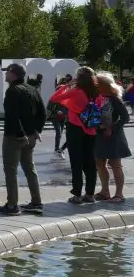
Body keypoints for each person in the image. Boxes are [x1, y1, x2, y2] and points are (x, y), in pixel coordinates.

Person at [1, 63, 45, 215]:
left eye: (7, 71)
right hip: (31, 136)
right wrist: (36, 130)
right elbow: (42, 113)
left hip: (15, 137)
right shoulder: (32, 89)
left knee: (11, 170)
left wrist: (20, 134)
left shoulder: (12, 91)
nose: (5, 74)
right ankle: (36, 201)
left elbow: (12, 115)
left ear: (13, 74)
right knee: (30, 169)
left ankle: (12, 205)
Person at [50, 67, 99, 204]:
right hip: (91, 129)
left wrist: (67, 84)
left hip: (75, 129)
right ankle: (90, 195)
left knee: (76, 162)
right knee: (90, 163)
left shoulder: (76, 91)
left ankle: (77, 194)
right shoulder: (96, 92)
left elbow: (54, 98)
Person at [92, 72, 130, 203]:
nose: (95, 86)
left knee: (115, 164)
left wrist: (111, 128)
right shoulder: (96, 98)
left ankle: (119, 194)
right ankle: (104, 191)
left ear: (104, 85)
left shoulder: (115, 99)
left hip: (114, 136)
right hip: (100, 135)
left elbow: (125, 118)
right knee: (100, 162)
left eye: (97, 84)